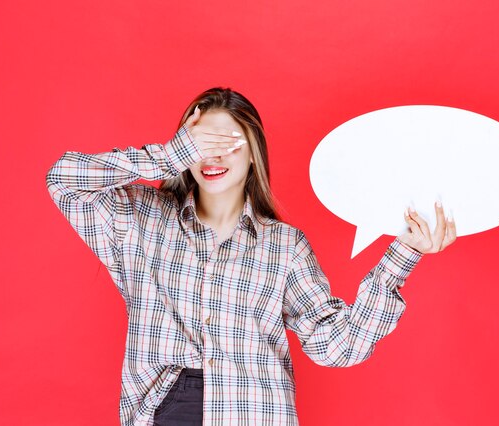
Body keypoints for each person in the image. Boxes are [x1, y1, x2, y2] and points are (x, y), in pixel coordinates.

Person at [46, 87, 457, 426]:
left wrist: (403, 254)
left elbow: (337, 346)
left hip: (254, 412)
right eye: (201, 144)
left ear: (253, 151)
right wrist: (170, 155)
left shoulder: (284, 246)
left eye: (228, 143)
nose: (214, 156)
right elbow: (63, 179)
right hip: (165, 411)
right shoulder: (137, 218)